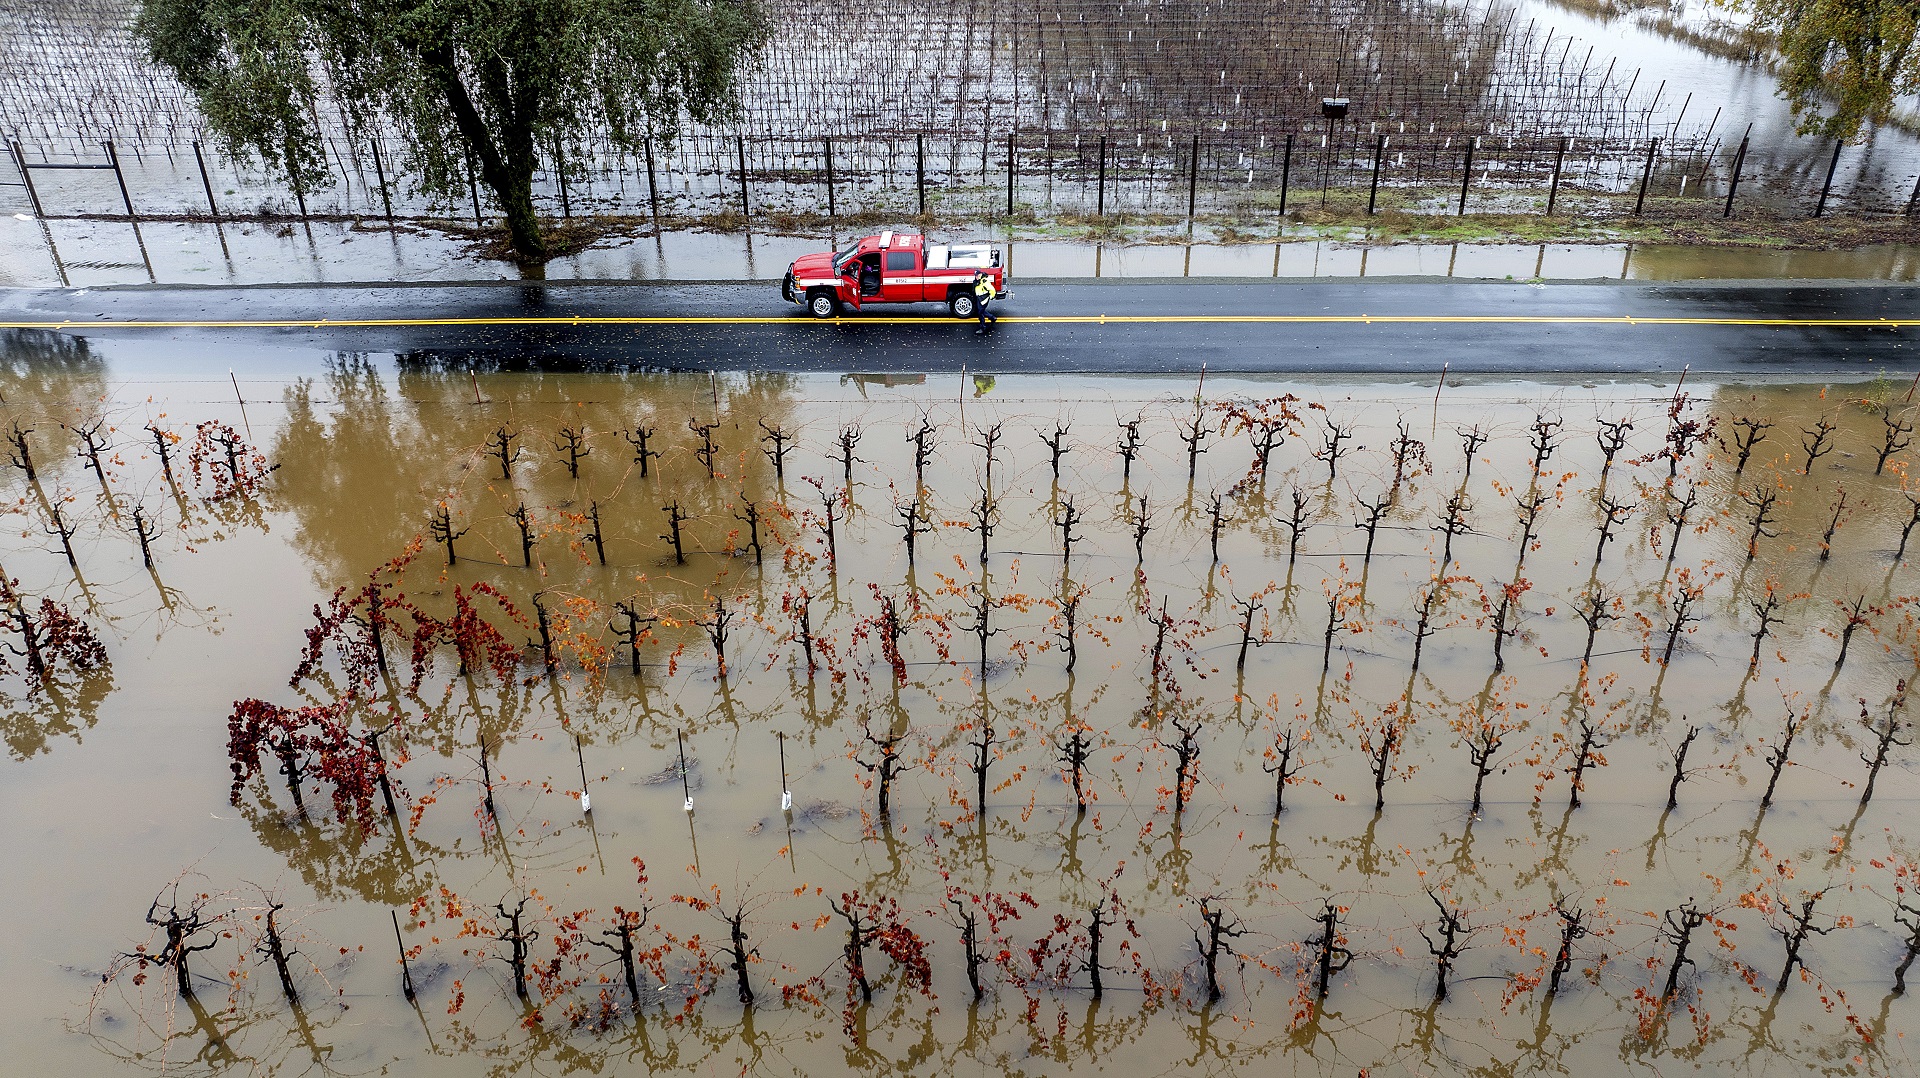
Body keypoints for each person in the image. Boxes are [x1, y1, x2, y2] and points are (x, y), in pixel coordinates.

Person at [972, 270, 999, 335]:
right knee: (981, 311)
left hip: (984, 299)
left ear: (980, 274)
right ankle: (992, 317)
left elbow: (992, 289)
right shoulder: (977, 281)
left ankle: (983, 327)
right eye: (976, 275)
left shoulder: (984, 281)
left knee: (980, 312)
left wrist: (991, 297)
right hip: (979, 298)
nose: (977, 277)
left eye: (978, 275)